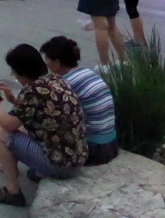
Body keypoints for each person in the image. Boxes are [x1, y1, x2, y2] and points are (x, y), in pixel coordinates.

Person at [0, 43, 87, 207]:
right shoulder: (56, 79)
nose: (13, 75)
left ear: (23, 72)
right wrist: (13, 100)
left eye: (14, 71)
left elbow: (7, 124)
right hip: (77, 158)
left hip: (60, 166)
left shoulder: (32, 91)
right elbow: (37, 110)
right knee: (21, 128)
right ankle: (30, 169)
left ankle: (13, 191)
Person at [39, 36, 118, 165]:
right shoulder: (88, 73)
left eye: (47, 61)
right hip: (111, 144)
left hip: (93, 149)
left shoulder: (65, 84)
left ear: (57, 63)